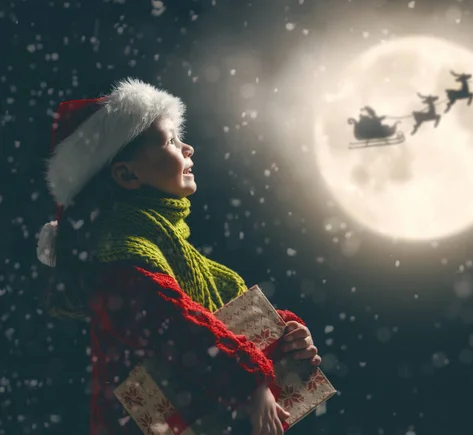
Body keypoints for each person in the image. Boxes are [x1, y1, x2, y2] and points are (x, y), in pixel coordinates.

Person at [36, 78, 322, 435]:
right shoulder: (120, 253)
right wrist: (249, 384)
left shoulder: (169, 247)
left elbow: (214, 322)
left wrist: (287, 335)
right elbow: (177, 326)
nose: (188, 148)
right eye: (170, 141)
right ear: (127, 174)